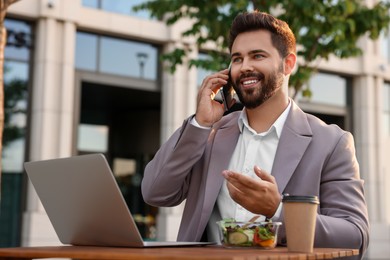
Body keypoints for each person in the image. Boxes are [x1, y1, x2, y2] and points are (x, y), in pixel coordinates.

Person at [141, 10, 369, 259]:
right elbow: (155, 192)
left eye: (257, 56)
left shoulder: (332, 142)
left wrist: (278, 210)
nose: (245, 66)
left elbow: (355, 234)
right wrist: (199, 123)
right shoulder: (209, 134)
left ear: (288, 63)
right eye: (237, 59)